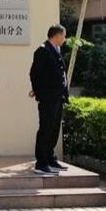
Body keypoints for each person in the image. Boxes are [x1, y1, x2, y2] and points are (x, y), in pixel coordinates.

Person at [29, 24, 70, 176]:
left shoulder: (56, 50)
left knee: (54, 129)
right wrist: (38, 92)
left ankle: (50, 158)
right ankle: (41, 163)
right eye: (64, 36)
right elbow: (34, 74)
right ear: (57, 35)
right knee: (46, 129)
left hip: (58, 97)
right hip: (48, 98)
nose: (65, 39)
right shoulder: (43, 50)